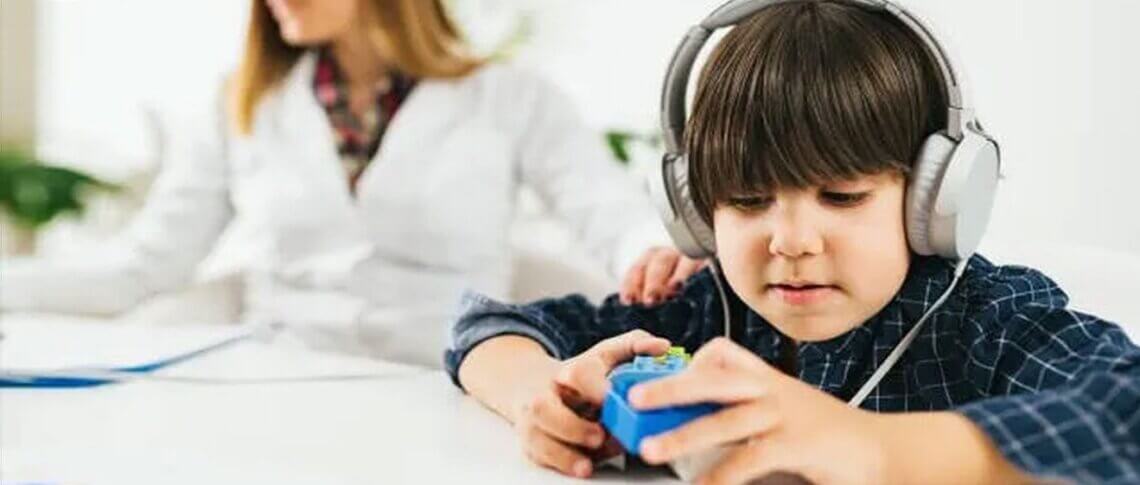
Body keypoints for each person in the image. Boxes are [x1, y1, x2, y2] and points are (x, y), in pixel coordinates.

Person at [445, 1, 1140, 483]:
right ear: (695, 211)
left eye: (842, 196)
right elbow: (487, 326)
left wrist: (873, 447)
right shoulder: (708, 310)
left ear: (937, 199)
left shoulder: (985, 322)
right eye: (747, 202)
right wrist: (540, 393)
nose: (792, 240)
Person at [0, 0, 703, 367]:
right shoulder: (242, 102)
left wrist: (649, 251)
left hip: (445, 380)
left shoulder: (511, 98)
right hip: (274, 381)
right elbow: (141, 267)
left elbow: (608, 215)